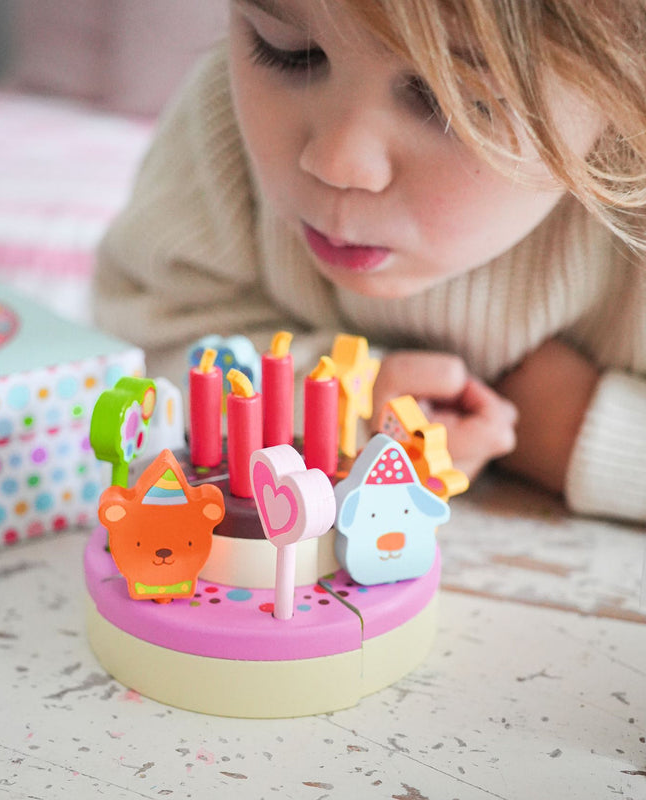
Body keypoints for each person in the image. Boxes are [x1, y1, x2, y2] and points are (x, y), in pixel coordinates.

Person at [92, 0, 646, 523]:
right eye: (288, 51)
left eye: (453, 103)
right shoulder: (222, 122)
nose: (337, 163)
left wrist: (582, 434)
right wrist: (343, 403)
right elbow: (131, 353)